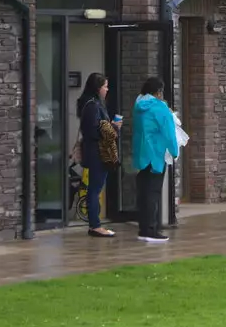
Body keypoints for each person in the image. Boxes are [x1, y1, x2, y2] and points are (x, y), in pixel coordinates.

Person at [130, 76, 178, 243]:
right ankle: (151, 229)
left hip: (142, 154)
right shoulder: (160, 107)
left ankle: (143, 228)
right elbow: (169, 132)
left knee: (144, 192)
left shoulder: (138, 106)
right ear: (159, 92)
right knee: (153, 193)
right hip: (156, 155)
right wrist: (175, 151)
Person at [76, 73, 120, 237]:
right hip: (98, 152)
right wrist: (113, 128)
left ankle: (95, 224)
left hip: (93, 150)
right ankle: (95, 225)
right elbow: (95, 130)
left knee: (94, 188)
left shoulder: (88, 103)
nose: (107, 89)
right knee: (95, 189)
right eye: (105, 86)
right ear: (97, 88)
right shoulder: (93, 105)